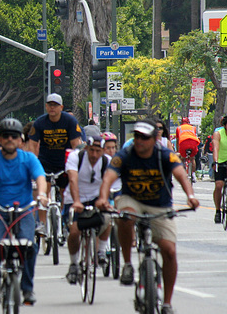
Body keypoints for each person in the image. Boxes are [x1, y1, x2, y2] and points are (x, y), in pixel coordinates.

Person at [96, 120, 199, 314]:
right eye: (137, 137)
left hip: (159, 204)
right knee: (126, 216)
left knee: (169, 251)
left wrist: (190, 196)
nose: (139, 141)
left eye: (144, 137)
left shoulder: (165, 155)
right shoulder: (125, 155)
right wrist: (103, 198)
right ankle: (127, 264)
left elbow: (181, 175)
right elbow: (109, 177)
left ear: (154, 139)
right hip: (131, 198)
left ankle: (167, 303)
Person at [0, 118, 48, 306]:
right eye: (5, 135)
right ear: (0, 139)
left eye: (14, 136)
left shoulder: (28, 159)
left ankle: (27, 288)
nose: (9, 139)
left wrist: (43, 195)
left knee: (30, 246)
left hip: (23, 210)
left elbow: (40, 177)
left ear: (20, 140)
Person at [28, 93, 82, 235]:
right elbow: (33, 144)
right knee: (43, 192)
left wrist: (76, 165)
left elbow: (76, 144)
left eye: (55, 105)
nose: (52, 108)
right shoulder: (40, 123)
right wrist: (34, 164)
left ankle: (64, 221)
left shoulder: (69, 121)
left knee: (65, 192)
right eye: (50, 105)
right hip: (45, 162)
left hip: (65, 162)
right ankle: (42, 223)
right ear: (46, 106)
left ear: (61, 107)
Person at [64, 135, 112, 284]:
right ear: (86, 149)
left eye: (98, 151)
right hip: (74, 198)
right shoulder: (75, 157)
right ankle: (73, 263)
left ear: (103, 151)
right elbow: (72, 179)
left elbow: (107, 182)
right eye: (91, 150)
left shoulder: (107, 162)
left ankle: (101, 251)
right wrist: (77, 202)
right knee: (74, 231)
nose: (94, 155)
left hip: (96, 198)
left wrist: (103, 200)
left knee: (109, 218)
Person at [212, 115, 227, 223]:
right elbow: (216, 148)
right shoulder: (218, 134)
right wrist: (216, 161)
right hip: (221, 161)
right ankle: (218, 210)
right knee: (219, 185)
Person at [175, 117, 200, 182]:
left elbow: (177, 141)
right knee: (192, 158)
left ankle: (182, 172)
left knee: (182, 158)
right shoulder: (193, 127)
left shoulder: (179, 128)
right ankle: (193, 174)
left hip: (183, 143)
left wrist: (178, 150)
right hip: (193, 142)